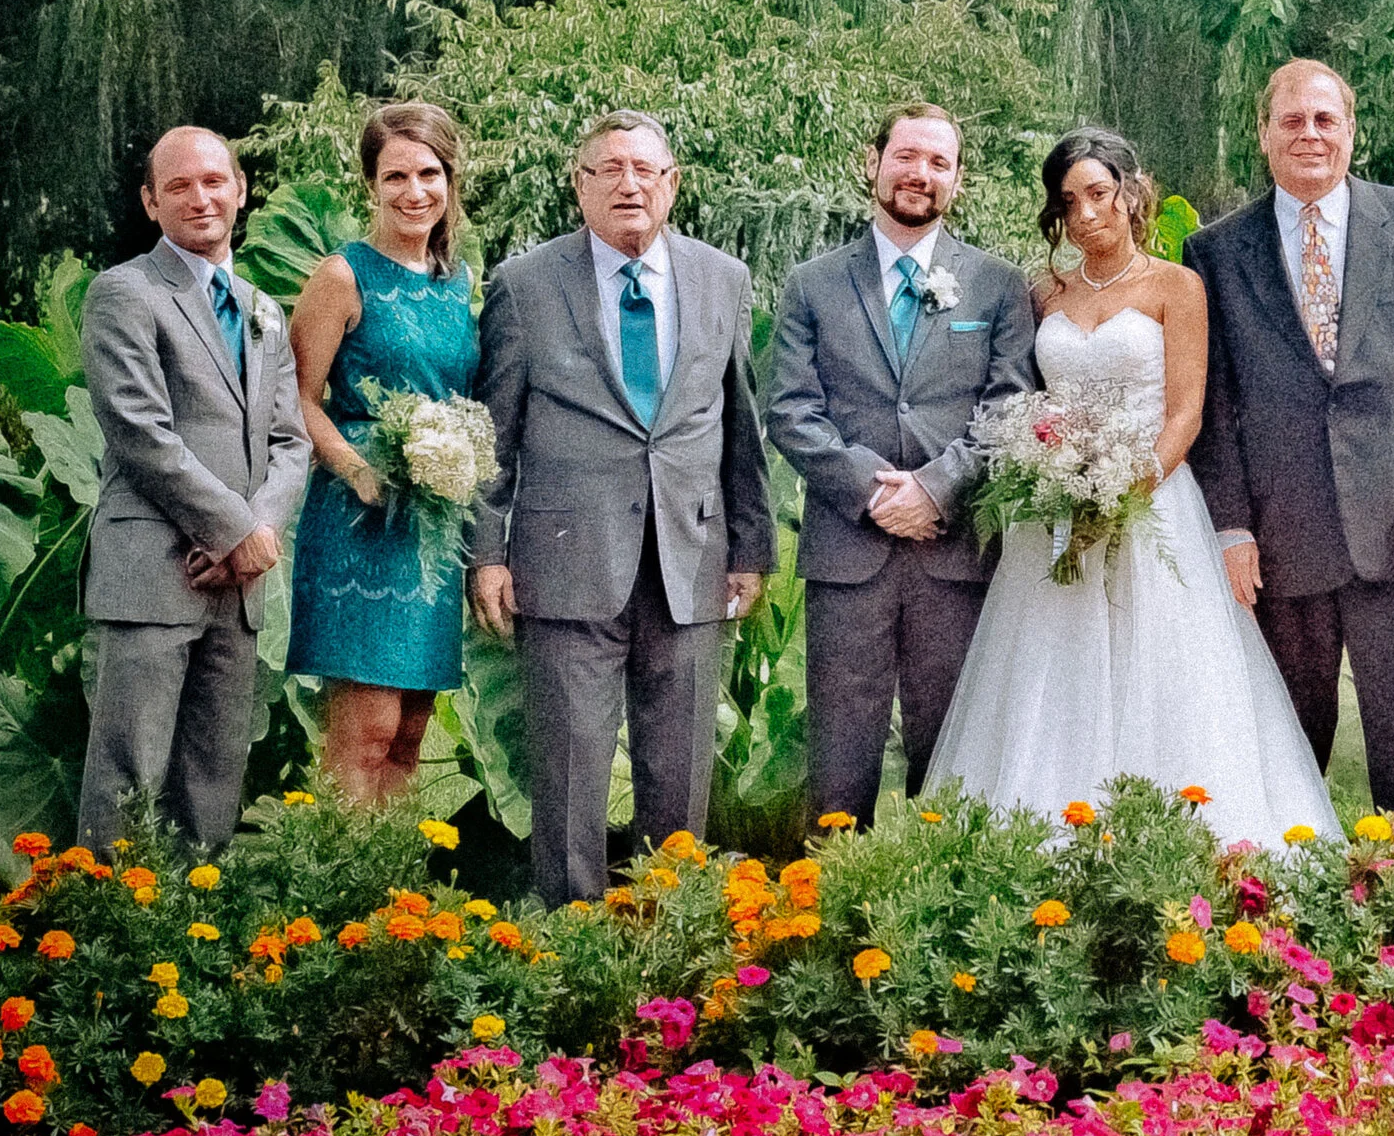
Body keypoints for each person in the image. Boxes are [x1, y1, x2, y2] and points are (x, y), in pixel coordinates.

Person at [922, 129, 1339, 843]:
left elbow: (1186, 410)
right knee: (1053, 680)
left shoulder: (1177, 286)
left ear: (1131, 191)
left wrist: (1124, 486)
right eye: (1068, 202)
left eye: (1098, 193)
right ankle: (1045, 832)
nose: (1086, 214)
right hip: (1055, 512)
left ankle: (1173, 844)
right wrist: (1053, 476)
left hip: (1153, 502)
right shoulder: (1045, 292)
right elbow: (1031, 401)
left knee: (1165, 681)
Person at [470, 109, 773, 905]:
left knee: (679, 776)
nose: (629, 183)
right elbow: (492, 438)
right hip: (565, 563)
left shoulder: (723, 279)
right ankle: (572, 949)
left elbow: (741, 422)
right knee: (568, 774)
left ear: (673, 183)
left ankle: (667, 939)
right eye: (609, 169)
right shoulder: (525, 286)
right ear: (580, 186)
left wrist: (751, 545)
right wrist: (487, 553)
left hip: (692, 557)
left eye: (646, 169)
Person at [1185, 60, 1394, 817]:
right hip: (1280, 544)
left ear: (1351, 129)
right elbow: (1213, 403)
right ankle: (1282, 914)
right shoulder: (1213, 253)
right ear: (1263, 133)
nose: (1309, 134)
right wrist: (1230, 525)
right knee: (1284, 752)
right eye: (1292, 120)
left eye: (1325, 119)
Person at [765, 103, 1038, 826]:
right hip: (848, 553)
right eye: (907, 156)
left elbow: (1009, 408)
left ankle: (934, 915)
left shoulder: (997, 285)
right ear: (873, 160)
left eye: (938, 162)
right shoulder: (813, 284)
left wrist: (937, 488)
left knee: (948, 756)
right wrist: (874, 491)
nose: (920, 173)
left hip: (955, 558)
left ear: (957, 179)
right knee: (839, 762)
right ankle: (829, 913)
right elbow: (791, 409)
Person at [77, 127, 311, 853]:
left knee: (212, 781)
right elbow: (142, 434)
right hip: (153, 573)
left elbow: (290, 441)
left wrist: (252, 541)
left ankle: (196, 949)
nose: (200, 197)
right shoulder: (125, 293)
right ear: (151, 202)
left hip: (235, 585)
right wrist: (234, 531)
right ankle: (110, 942)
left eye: (215, 181)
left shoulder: (263, 307)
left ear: (241, 190)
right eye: (178, 186)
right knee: (129, 778)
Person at [285, 103, 480, 803]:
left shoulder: (455, 282)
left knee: (411, 730)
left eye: (429, 172)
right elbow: (299, 397)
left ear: (451, 180)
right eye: (395, 174)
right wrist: (356, 466)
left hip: (429, 525)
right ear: (372, 183)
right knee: (366, 728)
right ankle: (340, 894)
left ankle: (391, 897)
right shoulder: (343, 274)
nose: (414, 190)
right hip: (361, 522)